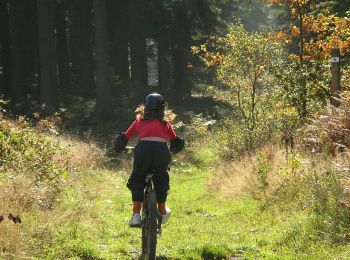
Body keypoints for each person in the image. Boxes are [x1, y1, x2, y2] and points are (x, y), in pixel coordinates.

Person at [114, 93, 184, 227]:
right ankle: (162, 211)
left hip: (143, 151)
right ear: (163, 108)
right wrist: (173, 149)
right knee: (162, 180)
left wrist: (120, 145)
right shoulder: (165, 123)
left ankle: (135, 216)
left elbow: (125, 136)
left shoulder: (140, 120)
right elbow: (176, 141)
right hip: (161, 152)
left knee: (137, 180)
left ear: (145, 106)